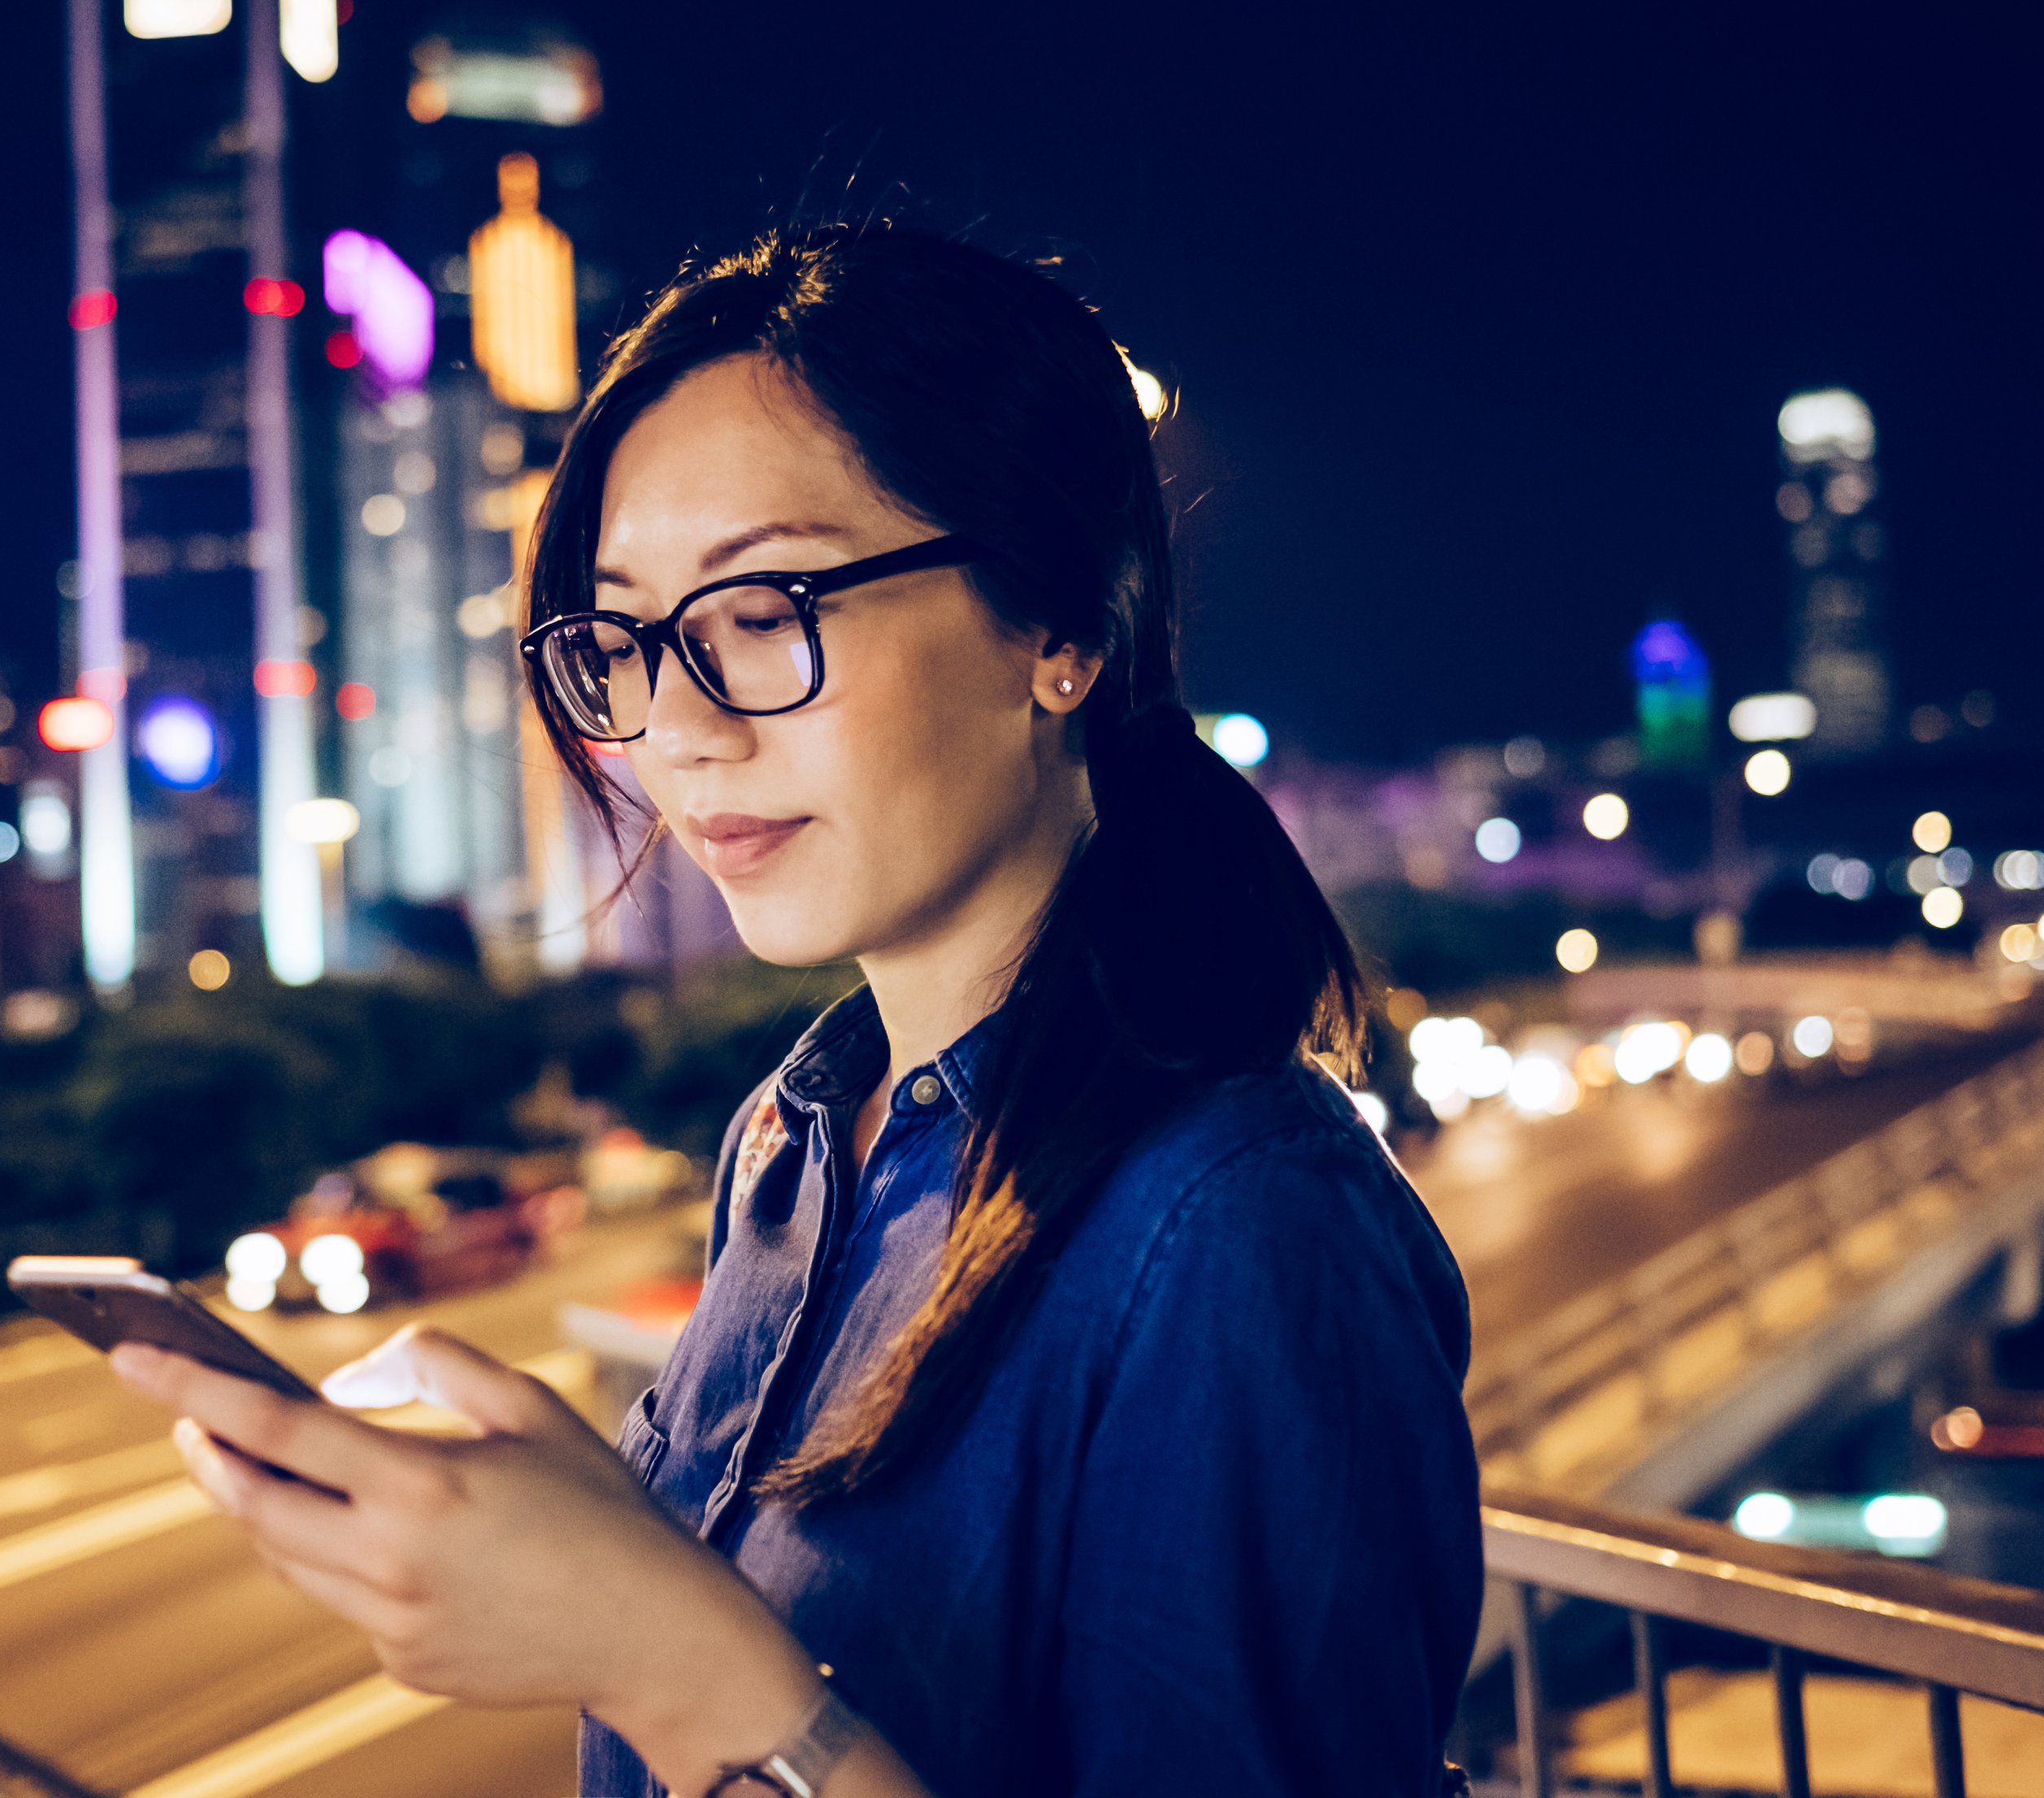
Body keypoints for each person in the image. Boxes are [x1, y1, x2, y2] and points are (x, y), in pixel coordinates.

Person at [112, 224, 1483, 1796]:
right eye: (618, 637)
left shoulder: (1237, 1227)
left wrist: (666, 1654)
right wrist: (610, 1525)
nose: (673, 729)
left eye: (763, 610)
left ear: (1059, 627)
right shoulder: (804, 1131)